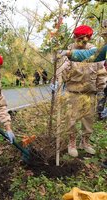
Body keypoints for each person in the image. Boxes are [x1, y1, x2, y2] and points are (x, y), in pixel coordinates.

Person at [56, 25, 107, 157]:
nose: (80, 42)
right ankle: (71, 142)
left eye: (84, 40)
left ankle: (85, 142)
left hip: (90, 92)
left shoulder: (95, 52)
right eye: (78, 39)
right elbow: (60, 70)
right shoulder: (68, 51)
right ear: (74, 37)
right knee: (71, 119)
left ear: (88, 39)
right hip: (72, 92)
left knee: (88, 119)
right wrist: (58, 79)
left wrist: (101, 89)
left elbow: (101, 72)